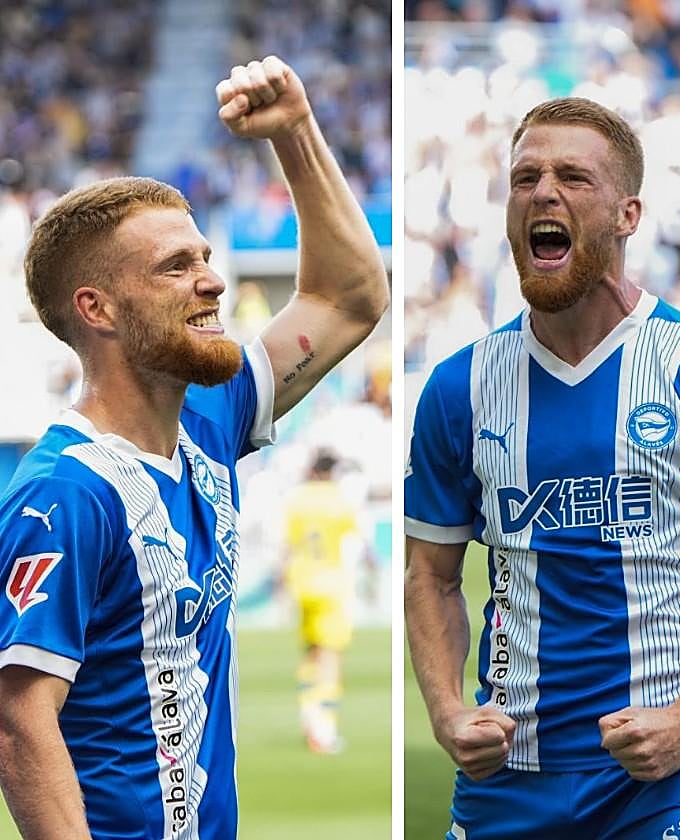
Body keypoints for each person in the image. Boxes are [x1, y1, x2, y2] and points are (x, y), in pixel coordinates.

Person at [0, 55, 389, 839]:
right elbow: (18, 725)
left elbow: (348, 297)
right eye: (176, 267)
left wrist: (297, 134)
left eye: (205, 256)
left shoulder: (209, 420)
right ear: (97, 308)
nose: (211, 280)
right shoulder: (65, 493)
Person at [404, 97, 680, 840]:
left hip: (678, 777)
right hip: (509, 784)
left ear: (628, 214)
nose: (544, 192)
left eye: (573, 178)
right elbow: (430, 573)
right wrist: (449, 711)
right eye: (525, 178)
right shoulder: (459, 389)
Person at [281, 450, 367, 754]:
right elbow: (359, 541)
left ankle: (308, 716)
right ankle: (325, 729)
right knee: (330, 658)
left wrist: (283, 586)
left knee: (310, 654)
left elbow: (289, 546)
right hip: (331, 585)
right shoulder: (339, 500)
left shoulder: (298, 500)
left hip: (301, 582)